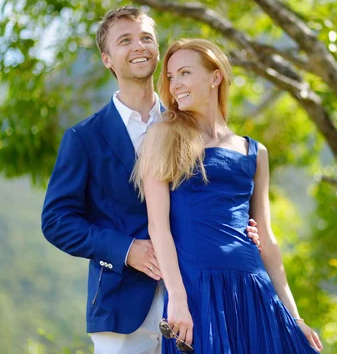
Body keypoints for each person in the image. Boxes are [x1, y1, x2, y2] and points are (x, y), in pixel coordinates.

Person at [41, 6, 260, 354]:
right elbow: (56, 221)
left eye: (146, 38)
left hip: (197, 298)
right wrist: (125, 250)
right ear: (107, 59)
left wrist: (243, 227)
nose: (139, 46)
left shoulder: (190, 124)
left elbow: (223, 189)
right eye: (125, 40)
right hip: (122, 308)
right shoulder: (84, 137)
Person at [135, 38, 323, 353]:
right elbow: (159, 227)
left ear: (215, 76)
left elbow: (267, 237)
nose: (175, 84)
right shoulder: (163, 136)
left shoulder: (255, 151)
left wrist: (295, 315)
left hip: (253, 288)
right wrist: (177, 299)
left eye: (184, 73)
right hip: (198, 292)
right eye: (170, 77)